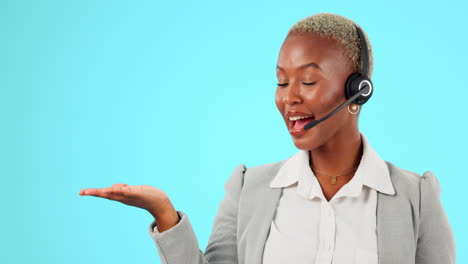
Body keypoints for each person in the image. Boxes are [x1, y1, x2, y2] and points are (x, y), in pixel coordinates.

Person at [79, 13, 456, 264]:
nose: (289, 97)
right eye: (281, 81)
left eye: (308, 81)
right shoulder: (249, 189)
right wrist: (164, 213)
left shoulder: (415, 197)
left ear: (358, 90)